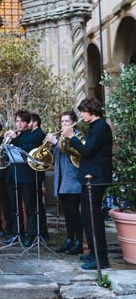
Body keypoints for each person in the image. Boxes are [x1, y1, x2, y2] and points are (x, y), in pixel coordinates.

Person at [62, 98, 112, 270]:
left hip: (96, 179)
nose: (81, 114)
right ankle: (93, 252)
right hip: (90, 178)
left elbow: (87, 150)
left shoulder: (100, 127)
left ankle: (101, 259)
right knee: (88, 216)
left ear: (92, 111)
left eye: (83, 111)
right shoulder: (94, 127)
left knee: (93, 218)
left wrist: (72, 137)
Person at [3, 110, 43, 247]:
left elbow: (26, 149)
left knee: (30, 207)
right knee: (14, 207)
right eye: (17, 121)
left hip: (26, 177)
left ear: (27, 123)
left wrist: (14, 138)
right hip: (12, 175)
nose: (18, 124)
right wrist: (5, 141)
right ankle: (17, 233)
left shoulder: (31, 136)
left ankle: (31, 235)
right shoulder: (16, 136)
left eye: (21, 121)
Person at [46, 111, 82, 255]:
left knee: (74, 212)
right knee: (66, 213)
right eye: (62, 122)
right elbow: (56, 156)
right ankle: (69, 240)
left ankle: (78, 241)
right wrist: (50, 145)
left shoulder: (77, 135)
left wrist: (56, 143)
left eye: (67, 121)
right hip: (61, 179)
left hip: (73, 179)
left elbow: (76, 152)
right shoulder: (62, 137)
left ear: (73, 122)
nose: (64, 124)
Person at [29, 113, 48, 238]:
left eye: (28, 121)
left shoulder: (39, 134)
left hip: (36, 172)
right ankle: (40, 230)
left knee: (37, 204)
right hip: (33, 172)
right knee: (35, 203)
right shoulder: (33, 134)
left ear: (35, 122)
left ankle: (41, 231)